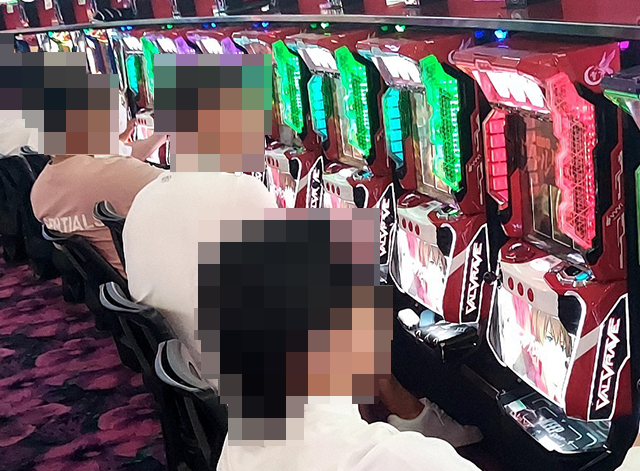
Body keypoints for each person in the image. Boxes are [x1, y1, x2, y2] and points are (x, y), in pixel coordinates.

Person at [31, 154, 164, 276]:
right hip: (150, 277)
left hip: (108, 281)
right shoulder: (118, 170)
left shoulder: (38, 192)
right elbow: (175, 182)